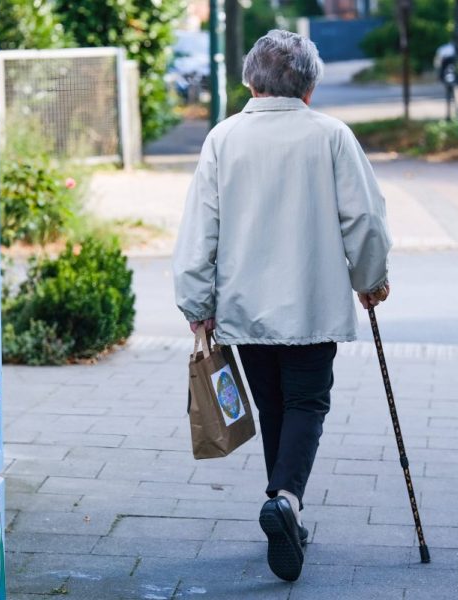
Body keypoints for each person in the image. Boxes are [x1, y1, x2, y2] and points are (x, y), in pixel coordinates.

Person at [173, 29, 391, 582]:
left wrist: (196, 300)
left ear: (251, 82)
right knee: (307, 403)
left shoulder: (223, 138)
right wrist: (370, 278)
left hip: (244, 307)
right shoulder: (331, 136)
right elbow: (364, 219)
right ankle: (287, 501)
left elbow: (200, 229)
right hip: (312, 304)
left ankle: (282, 504)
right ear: (309, 87)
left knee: (274, 405)